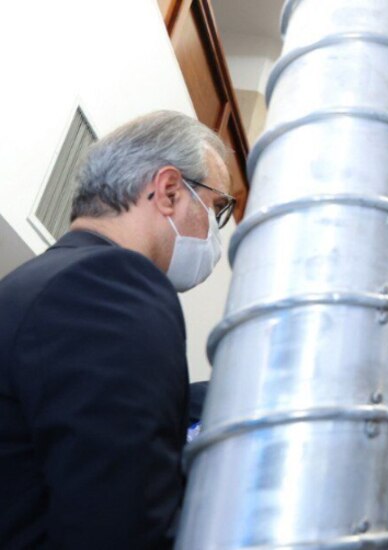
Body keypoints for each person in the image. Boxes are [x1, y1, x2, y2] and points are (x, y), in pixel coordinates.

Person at [0, 110, 232, 548]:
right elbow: (119, 520)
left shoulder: (34, 282)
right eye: (216, 207)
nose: (214, 232)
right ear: (167, 191)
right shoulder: (111, 287)